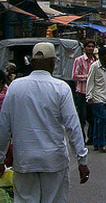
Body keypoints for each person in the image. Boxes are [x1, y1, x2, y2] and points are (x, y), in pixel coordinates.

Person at [0, 42, 89, 202]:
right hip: (53, 161)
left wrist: (0, 158)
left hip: (24, 160)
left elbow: (3, 127)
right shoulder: (60, 88)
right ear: (53, 63)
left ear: (32, 62)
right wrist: (81, 160)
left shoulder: (15, 87)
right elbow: (73, 126)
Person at [72, 39, 96, 145]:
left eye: (92, 47)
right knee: (82, 118)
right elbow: (74, 76)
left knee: (92, 118)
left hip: (92, 94)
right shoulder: (79, 60)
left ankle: (91, 138)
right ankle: (81, 139)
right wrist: (88, 77)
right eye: (89, 46)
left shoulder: (94, 61)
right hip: (81, 93)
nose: (90, 48)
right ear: (84, 48)